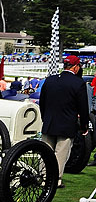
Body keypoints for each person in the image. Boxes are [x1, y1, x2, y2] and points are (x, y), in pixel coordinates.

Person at [39, 55, 89, 187]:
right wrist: (84, 126)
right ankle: (55, 179)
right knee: (60, 154)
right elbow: (83, 107)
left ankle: (43, 176)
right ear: (76, 67)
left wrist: (45, 118)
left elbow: (42, 103)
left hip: (49, 121)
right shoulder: (78, 83)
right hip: (66, 123)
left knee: (46, 152)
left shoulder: (50, 80)